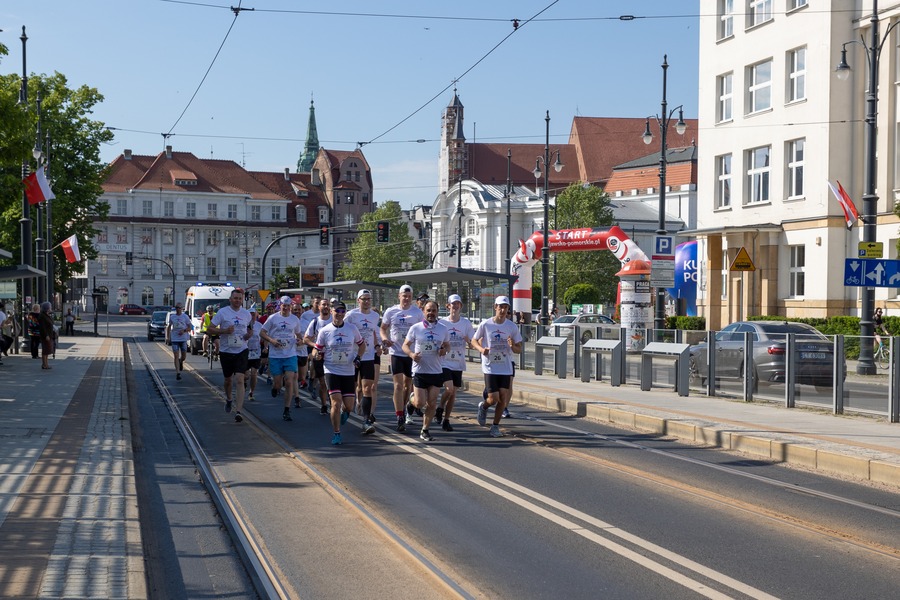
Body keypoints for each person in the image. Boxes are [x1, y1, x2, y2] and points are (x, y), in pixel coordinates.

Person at [313, 301, 365, 446]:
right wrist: (317, 355)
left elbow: (362, 345)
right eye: (337, 311)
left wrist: (358, 357)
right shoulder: (325, 330)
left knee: (348, 406)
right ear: (331, 311)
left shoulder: (352, 328)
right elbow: (317, 349)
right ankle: (336, 433)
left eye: (343, 311)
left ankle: (345, 412)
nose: (340, 314)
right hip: (331, 370)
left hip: (348, 371)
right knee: (335, 402)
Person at [471, 296, 523, 437]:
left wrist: (513, 346)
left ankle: (495, 426)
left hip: (505, 366)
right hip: (490, 366)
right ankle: (484, 406)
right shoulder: (486, 324)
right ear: (495, 307)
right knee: (493, 398)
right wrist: (482, 350)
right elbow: (473, 340)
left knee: (503, 397)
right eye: (500, 306)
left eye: (505, 307)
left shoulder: (511, 326)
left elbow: (519, 348)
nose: (502, 309)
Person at [402, 300, 450, 442]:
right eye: (428, 310)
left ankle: (425, 430)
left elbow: (447, 346)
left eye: (434, 310)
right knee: (420, 403)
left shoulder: (443, 329)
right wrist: (411, 355)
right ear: (423, 311)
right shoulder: (416, 328)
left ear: (437, 311)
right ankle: (411, 403)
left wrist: (444, 351)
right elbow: (405, 345)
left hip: (436, 371)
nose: (431, 313)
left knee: (432, 402)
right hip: (420, 370)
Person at [381, 284, 425, 432]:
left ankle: (406, 408)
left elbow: (423, 329)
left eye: (409, 296)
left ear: (412, 298)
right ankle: (399, 415)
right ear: (399, 296)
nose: (406, 299)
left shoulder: (417, 312)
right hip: (396, 353)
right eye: (404, 296)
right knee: (398, 385)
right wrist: (385, 339)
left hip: (411, 354)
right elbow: (382, 328)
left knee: (408, 386)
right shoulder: (391, 311)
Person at [206, 288, 252, 423]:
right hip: (226, 351)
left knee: (239, 379)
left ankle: (238, 411)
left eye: (240, 298)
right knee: (228, 380)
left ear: (242, 299)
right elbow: (209, 329)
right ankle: (229, 399)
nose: (238, 301)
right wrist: (225, 330)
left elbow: (249, 329)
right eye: (235, 298)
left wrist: (248, 334)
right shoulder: (222, 312)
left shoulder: (246, 314)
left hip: (241, 350)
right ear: (230, 299)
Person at [260, 296, 303, 421]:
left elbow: (298, 334)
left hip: (290, 354)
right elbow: (262, 333)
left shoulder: (294, 319)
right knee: (278, 384)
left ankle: (287, 409)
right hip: (275, 355)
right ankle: (275, 387)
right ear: (280, 306)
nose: (286, 308)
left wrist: (300, 340)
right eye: (284, 305)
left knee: (289, 381)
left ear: (291, 306)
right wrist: (272, 341)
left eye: (288, 306)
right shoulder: (273, 318)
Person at [347, 289, 383, 434]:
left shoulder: (375, 316)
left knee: (368, 387)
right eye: (364, 299)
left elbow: (374, 333)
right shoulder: (351, 315)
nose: (367, 301)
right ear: (358, 300)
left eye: (369, 299)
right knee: (352, 387)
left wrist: (377, 346)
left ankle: (366, 420)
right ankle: (346, 408)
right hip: (353, 356)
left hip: (368, 356)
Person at [437, 294, 475, 432]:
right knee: (449, 389)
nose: (455, 306)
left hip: (458, 362)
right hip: (445, 362)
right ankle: (440, 407)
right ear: (448, 306)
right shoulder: (442, 323)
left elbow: (473, 344)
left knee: (453, 394)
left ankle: (446, 419)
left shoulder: (466, 323)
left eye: (458, 303)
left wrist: (468, 340)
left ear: (461, 306)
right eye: (453, 304)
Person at [304, 298, 332, 414]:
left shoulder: (334, 320)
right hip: (319, 355)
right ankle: (324, 404)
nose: (326, 307)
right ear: (319, 307)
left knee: (331, 382)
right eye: (323, 305)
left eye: (327, 305)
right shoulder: (315, 322)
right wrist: (316, 346)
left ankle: (333, 404)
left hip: (332, 355)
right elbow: (306, 338)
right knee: (322, 382)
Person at [166, 303, 193, 381]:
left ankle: (181, 361)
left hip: (183, 339)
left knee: (183, 356)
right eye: (177, 308)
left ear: (182, 309)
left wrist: (184, 330)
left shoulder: (185, 316)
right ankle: (178, 373)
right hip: (175, 339)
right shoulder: (172, 317)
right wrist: (168, 337)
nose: (178, 309)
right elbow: (168, 327)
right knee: (176, 355)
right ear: (175, 309)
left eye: (180, 308)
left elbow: (190, 327)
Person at [245, 305, 263, 401]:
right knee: (246, 375)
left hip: (256, 352)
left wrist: (266, 347)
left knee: (254, 374)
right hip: (245, 352)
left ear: (256, 315)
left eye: (253, 314)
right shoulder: (244, 324)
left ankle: (251, 392)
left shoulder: (259, 325)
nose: (252, 316)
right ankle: (243, 383)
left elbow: (264, 336)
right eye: (250, 314)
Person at [38, 302, 55, 370]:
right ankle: (44, 364)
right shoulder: (42, 316)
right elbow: (43, 327)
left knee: (47, 350)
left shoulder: (47, 315)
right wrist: (46, 335)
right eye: (50, 307)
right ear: (47, 308)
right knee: (45, 350)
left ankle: (46, 364)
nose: (51, 308)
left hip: (49, 335)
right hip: (45, 336)